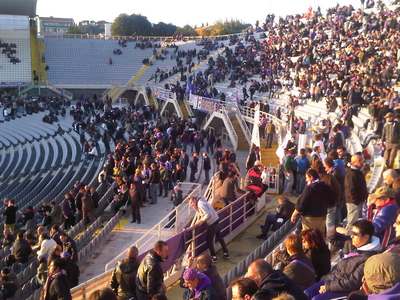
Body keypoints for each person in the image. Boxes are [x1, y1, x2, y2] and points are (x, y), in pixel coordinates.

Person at [305, 220, 381, 299]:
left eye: (354, 234)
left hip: (344, 289)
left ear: (366, 237)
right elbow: (333, 239)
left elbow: (353, 282)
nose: (351, 236)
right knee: (306, 293)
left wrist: (328, 287)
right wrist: (325, 280)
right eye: (351, 233)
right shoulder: (353, 246)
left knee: (316, 299)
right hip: (332, 280)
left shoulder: (368, 258)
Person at [291, 168, 334, 235]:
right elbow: (331, 199)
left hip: (310, 218)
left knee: (309, 237)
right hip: (322, 216)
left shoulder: (310, 188)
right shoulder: (325, 186)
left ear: (311, 177)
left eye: (307, 178)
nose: (306, 180)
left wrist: (294, 214)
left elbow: (302, 203)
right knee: (320, 236)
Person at [189, 196, 229, 262]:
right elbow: (203, 213)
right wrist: (196, 209)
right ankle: (226, 253)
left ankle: (214, 257)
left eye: (191, 203)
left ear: (194, 200)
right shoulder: (202, 201)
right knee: (219, 237)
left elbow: (208, 214)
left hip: (212, 222)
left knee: (209, 241)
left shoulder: (200, 204)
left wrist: (200, 222)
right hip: (216, 219)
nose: (191, 205)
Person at [344, 154, 368, 231]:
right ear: (354, 162)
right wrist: (356, 201)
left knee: (358, 222)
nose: (362, 162)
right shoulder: (351, 174)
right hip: (354, 203)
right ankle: (349, 238)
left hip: (358, 201)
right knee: (352, 222)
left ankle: (356, 237)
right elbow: (350, 190)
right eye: (360, 161)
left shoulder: (357, 171)